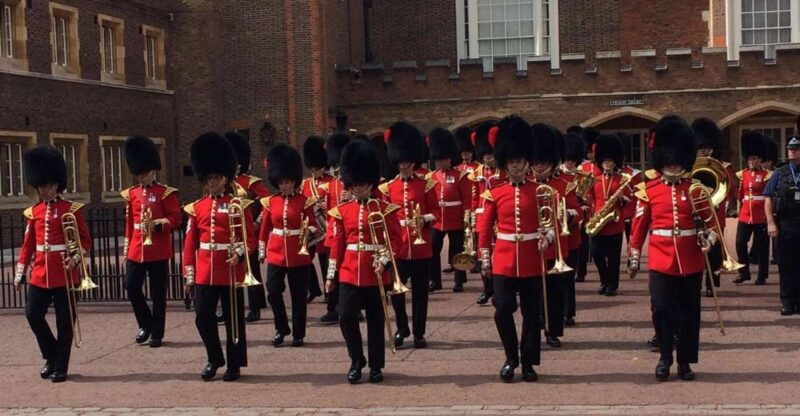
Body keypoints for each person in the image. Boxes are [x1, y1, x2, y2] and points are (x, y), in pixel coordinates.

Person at [629, 115, 714, 382]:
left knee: (689, 313)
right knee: (661, 309)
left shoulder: (696, 190)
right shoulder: (649, 190)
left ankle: (685, 361)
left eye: (678, 161)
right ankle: (665, 356)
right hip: (661, 259)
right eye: (670, 161)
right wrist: (634, 255)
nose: (674, 166)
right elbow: (640, 226)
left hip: (690, 259)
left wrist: (707, 240)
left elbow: (710, 226)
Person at [477, 115, 553, 382]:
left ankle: (528, 360)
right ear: (505, 163)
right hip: (505, 260)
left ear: (526, 161)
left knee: (532, 315)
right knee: (502, 309)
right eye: (511, 162)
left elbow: (550, 223)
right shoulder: (495, 193)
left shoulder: (541, 191)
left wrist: (548, 238)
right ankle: (511, 356)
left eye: (519, 161)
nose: (516, 166)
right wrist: (484, 258)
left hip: (532, 257)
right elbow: (485, 229)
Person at [326, 140, 403, 384]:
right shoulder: (341, 211)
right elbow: (336, 245)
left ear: (371, 182)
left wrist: (385, 262)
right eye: (355, 185)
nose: (359, 189)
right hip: (349, 269)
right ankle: (356, 359)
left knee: (375, 321)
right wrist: (330, 275)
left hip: (376, 272)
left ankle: (376, 365)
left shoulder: (386, 209)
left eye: (363, 184)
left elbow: (395, 241)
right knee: (346, 316)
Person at [15, 145, 91, 383]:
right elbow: (28, 244)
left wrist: (75, 259)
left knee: (64, 322)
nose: (41, 190)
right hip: (40, 273)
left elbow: (85, 241)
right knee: (33, 314)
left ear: (55, 185)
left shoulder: (70, 210)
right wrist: (20, 271)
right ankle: (51, 355)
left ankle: (61, 366)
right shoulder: (34, 212)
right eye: (39, 186)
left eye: (45, 186)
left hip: (64, 273)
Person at [183, 132, 256, 381]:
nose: (213, 181)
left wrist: (239, 253)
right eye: (209, 177)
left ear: (225, 177)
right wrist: (189, 275)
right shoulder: (196, 208)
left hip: (230, 269)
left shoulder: (238, 204)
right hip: (205, 270)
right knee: (203, 317)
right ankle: (215, 357)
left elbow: (250, 239)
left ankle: (234, 364)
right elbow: (189, 243)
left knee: (234, 320)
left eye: (216, 177)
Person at [380, 121, 437, 349]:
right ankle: (402, 327)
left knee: (421, 294)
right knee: (397, 291)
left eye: (407, 162)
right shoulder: (388, 188)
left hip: (421, 247)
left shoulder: (426, 185)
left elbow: (436, 212)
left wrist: (424, 219)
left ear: (413, 161)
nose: (404, 166)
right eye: (401, 162)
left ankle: (419, 332)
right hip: (400, 247)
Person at [121, 136, 182, 348]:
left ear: (152, 170)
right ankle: (145, 323)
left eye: (144, 172)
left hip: (157, 249)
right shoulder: (132, 194)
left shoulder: (165, 193)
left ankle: (157, 332)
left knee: (158, 294)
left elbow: (176, 218)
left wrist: (160, 224)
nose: (141, 177)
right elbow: (129, 223)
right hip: (137, 248)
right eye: (138, 173)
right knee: (131, 286)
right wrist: (127, 247)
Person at [259, 144, 317, 347]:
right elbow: (264, 228)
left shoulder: (305, 202)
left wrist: (309, 231)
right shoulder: (270, 202)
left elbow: (315, 226)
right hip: (276, 252)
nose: (284, 186)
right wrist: (261, 249)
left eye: (287, 182)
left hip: (298, 253)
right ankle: (281, 327)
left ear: (294, 181)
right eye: (281, 182)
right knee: (273, 291)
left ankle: (298, 333)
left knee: (298, 296)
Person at [225, 132, 269, 322]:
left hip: (249, 229)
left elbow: (267, 204)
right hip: (230, 232)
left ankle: (255, 307)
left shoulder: (251, 183)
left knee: (251, 270)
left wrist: (257, 222)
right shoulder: (224, 183)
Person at [691, 118, 736, 297]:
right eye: (701, 147)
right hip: (695, 210)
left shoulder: (723, 167)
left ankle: (711, 281)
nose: (704, 150)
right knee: (695, 248)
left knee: (714, 248)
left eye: (707, 147)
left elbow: (730, 187)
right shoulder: (691, 165)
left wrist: (729, 204)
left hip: (715, 211)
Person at [427, 129, 473, 293]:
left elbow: (467, 198)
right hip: (438, 219)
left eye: (443, 159)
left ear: (449, 158)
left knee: (457, 251)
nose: (441, 163)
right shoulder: (431, 177)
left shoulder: (460, 175)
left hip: (456, 218)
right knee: (433, 249)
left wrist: (467, 217)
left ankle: (458, 281)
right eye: (438, 160)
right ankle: (435, 280)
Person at [587, 134, 630, 297]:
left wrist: (622, 199)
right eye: (605, 161)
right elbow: (589, 198)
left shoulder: (622, 179)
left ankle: (612, 285)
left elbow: (629, 199)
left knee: (613, 257)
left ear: (615, 162)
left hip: (614, 221)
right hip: (599, 220)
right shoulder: (595, 179)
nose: (608, 163)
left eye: (611, 161)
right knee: (596, 254)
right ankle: (604, 279)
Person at [469, 121, 506, 304]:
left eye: (490, 154)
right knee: (482, 253)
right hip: (484, 217)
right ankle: (487, 288)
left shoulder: (503, 171)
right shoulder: (477, 172)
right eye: (484, 155)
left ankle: (500, 287)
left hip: (500, 216)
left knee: (498, 253)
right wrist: (473, 215)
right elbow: (475, 195)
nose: (487, 158)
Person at [764, 136, 800, 315]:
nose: (792, 151)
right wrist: (770, 222)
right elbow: (768, 197)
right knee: (786, 265)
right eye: (790, 149)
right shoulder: (780, 173)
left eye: (796, 148)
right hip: (785, 224)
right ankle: (787, 301)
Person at [319, 132, 351, 324]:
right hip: (333, 232)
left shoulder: (352, 184)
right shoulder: (330, 186)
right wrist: (324, 207)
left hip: (349, 232)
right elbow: (328, 211)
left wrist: (352, 198)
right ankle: (332, 307)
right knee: (331, 270)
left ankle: (351, 305)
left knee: (347, 270)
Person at [733, 131, 771, 285]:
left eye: (754, 159)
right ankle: (744, 272)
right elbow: (740, 195)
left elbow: (769, 196)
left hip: (761, 215)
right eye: (749, 159)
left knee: (762, 248)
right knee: (740, 243)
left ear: (760, 159)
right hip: (745, 214)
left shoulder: (767, 175)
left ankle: (762, 275)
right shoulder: (743, 174)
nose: (751, 161)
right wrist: (738, 209)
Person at [301, 135, 334, 304]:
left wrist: (325, 207)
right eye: (313, 168)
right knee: (304, 257)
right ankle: (312, 288)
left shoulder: (331, 181)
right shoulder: (305, 184)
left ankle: (330, 292)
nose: (315, 171)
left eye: (318, 168)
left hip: (326, 226)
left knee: (325, 260)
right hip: (312, 226)